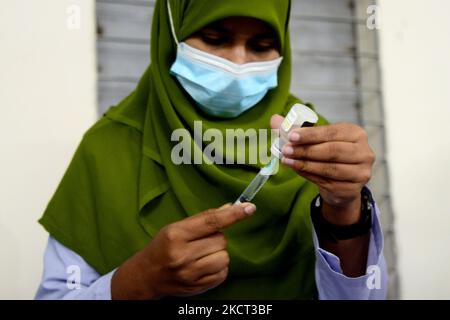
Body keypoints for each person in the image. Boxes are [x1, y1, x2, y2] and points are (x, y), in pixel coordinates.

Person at [35, 0, 387, 300]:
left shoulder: (316, 146)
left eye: (262, 47)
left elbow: (366, 293)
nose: (238, 63)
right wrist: (137, 280)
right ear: (171, 36)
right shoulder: (108, 149)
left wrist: (345, 208)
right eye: (215, 39)